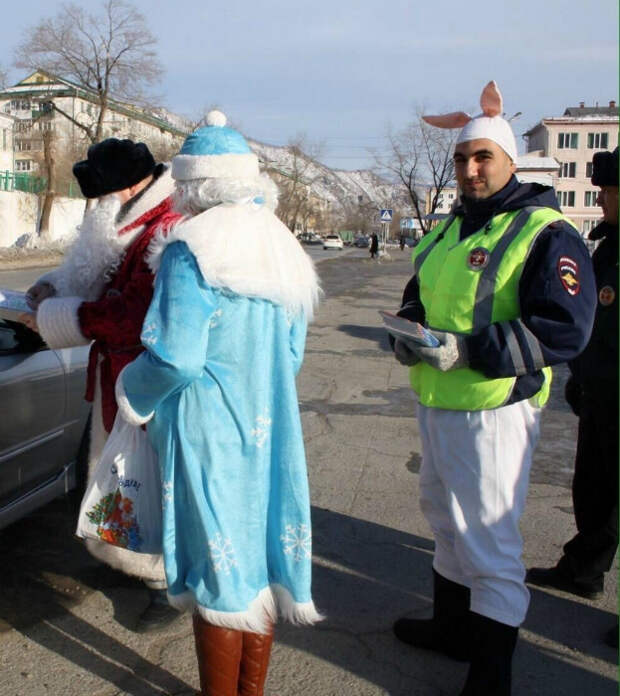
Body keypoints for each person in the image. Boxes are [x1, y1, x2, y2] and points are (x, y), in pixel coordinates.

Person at [391, 81, 596, 695]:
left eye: (483, 158)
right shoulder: (450, 227)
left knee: (490, 539)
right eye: (462, 158)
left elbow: (566, 327)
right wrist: (407, 330)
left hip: (495, 408)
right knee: (445, 518)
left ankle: (492, 674)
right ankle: (454, 630)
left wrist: (471, 350)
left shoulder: (544, 230)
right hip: (438, 399)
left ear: (509, 162)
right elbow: (420, 292)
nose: (470, 169)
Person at [113, 111, 322, 695]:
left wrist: (132, 388)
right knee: (254, 563)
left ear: (192, 185)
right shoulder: (283, 246)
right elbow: (293, 352)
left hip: (207, 427)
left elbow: (177, 357)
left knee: (216, 572)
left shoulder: (190, 246)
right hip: (269, 426)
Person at [22, 138, 182, 631]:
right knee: (119, 471)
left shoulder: (166, 227)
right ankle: (131, 560)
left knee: (150, 479)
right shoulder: (129, 216)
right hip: (118, 371)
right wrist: (54, 285)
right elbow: (93, 270)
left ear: (128, 186)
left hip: (147, 378)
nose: (96, 206)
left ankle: (167, 585)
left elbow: (135, 313)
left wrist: (59, 316)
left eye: (100, 194)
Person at [526, 147, 618, 645]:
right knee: (594, 488)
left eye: (607, 192)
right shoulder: (609, 246)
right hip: (602, 390)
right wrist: (581, 377)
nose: (600, 199)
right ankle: (583, 568)